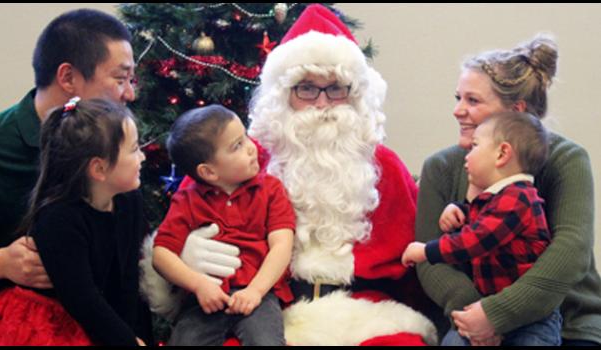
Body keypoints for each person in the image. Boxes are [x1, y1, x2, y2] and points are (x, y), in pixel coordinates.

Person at [142, 4, 437, 346]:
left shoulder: (383, 166)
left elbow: (419, 264)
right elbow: (181, 218)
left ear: (355, 95)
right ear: (283, 95)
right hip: (263, 306)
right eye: (307, 89)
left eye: (336, 88)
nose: (323, 103)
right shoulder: (247, 157)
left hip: (363, 312)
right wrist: (184, 260)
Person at [415, 34, 601, 346]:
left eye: (472, 101)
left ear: (516, 112)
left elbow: (570, 252)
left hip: (565, 320)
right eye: (457, 98)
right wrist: (476, 316)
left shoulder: (567, 160)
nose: (457, 111)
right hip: (466, 318)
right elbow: (428, 256)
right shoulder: (440, 167)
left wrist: (498, 313)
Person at [0, 8, 136, 318]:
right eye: (120, 79)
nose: (130, 93)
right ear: (67, 77)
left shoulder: (118, 149)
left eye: (132, 80)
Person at [0, 98, 146, 345]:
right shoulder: (59, 219)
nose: (143, 156)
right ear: (99, 169)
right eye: (134, 149)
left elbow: (127, 278)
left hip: (92, 317)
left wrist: (132, 336)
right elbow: (83, 300)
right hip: (49, 325)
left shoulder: (129, 199)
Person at [403, 111, 562, 345]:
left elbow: (477, 240)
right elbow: (483, 219)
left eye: (475, 146)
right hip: (487, 306)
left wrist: (426, 251)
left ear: (502, 154)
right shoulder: (495, 199)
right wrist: (457, 210)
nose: (466, 155)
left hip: (529, 318)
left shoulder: (520, 198)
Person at [152, 105, 295, 346]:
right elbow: (160, 254)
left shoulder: (270, 189)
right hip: (206, 300)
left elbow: (282, 245)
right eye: (237, 145)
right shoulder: (188, 199)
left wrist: (256, 291)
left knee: (265, 341)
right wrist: (198, 284)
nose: (251, 147)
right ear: (208, 172)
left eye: (245, 136)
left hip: (258, 296)